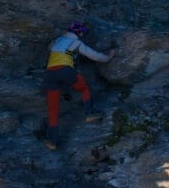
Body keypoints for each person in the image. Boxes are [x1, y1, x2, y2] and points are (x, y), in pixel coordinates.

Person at [41, 21, 114, 150]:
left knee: (53, 106)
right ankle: (89, 113)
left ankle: (52, 140)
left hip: (50, 73)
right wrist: (108, 58)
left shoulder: (57, 40)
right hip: (64, 70)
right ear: (79, 33)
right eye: (82, 33)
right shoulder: (76, 42)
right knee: (84, 87)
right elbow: (93, 55)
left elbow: (49, 48)